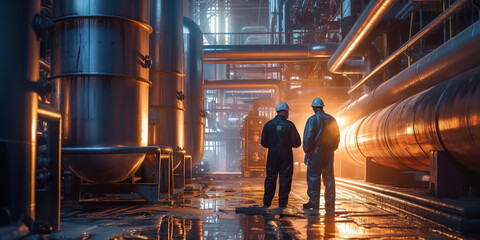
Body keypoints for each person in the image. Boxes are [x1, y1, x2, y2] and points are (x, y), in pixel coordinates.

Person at [302, 97, 340, 213]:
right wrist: (332, 148)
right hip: (329, 151)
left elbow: (308, 137)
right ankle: (330, 202)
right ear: (322, 107)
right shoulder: (332, 119)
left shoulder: (312, 119)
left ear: (313, 108)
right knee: (328, 176)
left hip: (316, 151)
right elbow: (337, 136)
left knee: (314, 176)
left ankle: (314, 202)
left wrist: (307, 151)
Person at [260, 102, 301, 208]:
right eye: (287, 111)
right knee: (285, 178)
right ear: (283, 111)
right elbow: (297, 143)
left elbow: (264, 143)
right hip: (286, 154)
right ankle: (282, 203)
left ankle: (267, 202)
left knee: (270, 178)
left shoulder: (268, 125)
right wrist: (287, 144)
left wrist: (273, 145)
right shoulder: (289, 125)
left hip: (272, 154)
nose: (288, 113)